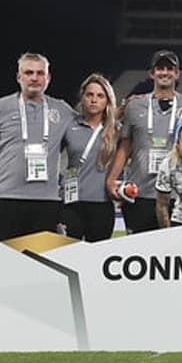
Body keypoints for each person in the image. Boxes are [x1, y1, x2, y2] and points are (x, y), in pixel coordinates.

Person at [0, 52, 76, 242]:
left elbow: (89, 124)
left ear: (48, 78)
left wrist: (120, 111)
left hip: (46, 202)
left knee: (45, 265)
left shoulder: (62, 110)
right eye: (29, 72)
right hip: (3, 199)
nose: (34, 77)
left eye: (40, 73)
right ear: (19, 77)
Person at [107, 49, 182, 234]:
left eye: (170, 68)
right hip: (139, 193)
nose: (165, 72)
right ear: (152, 73)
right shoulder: (135, 105)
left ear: (177, 73)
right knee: (139, 251)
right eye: (160, 68)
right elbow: (125, 145)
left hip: (176, 194)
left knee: (174, 253)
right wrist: (112, 178)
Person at [61, 73, 120, 242]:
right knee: (68, 257)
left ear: (107, 100)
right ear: (82, 98)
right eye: (90, 95)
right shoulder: (69, 125)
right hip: (71, 203)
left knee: (97, 260)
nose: (94, 100)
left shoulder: (117, 130)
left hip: (102, 204)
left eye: (100, 96)